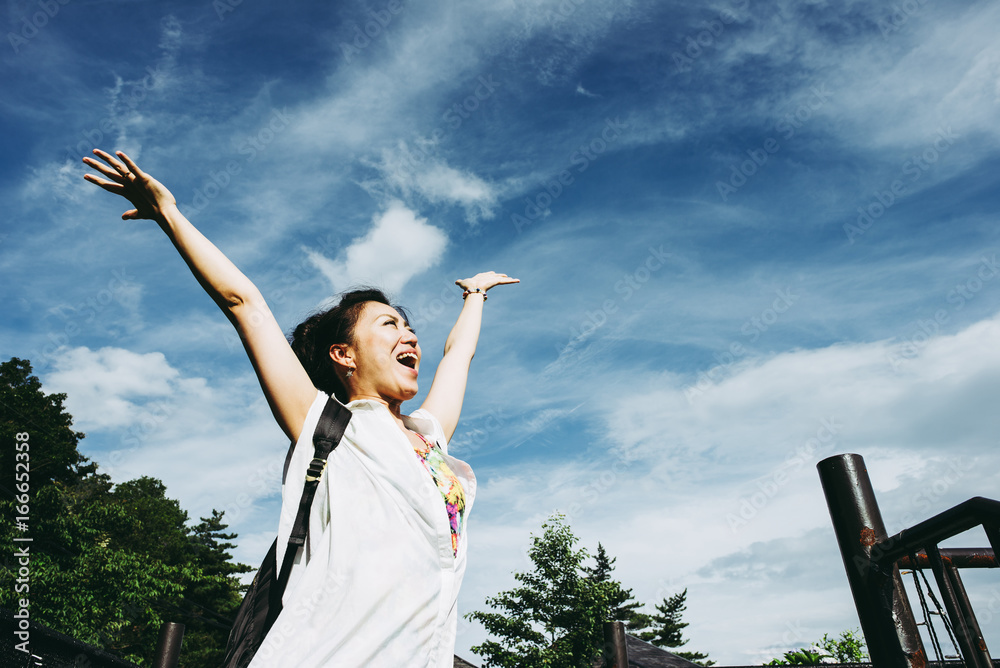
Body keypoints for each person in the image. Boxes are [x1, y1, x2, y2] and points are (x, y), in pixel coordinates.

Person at [82, 149, 518, 667]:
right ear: (344, 355)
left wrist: (475, 296)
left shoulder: (428, 439)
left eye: (410, 327)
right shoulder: (331, 427)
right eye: (389, 325)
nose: (410, 335)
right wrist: (169, 214)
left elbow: (458, 358)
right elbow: (245, 304)